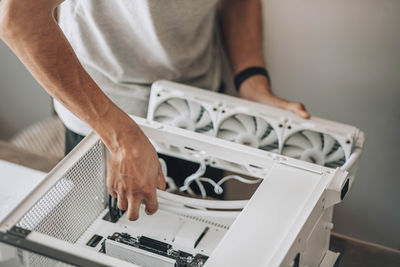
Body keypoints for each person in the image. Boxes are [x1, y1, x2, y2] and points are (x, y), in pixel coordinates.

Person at [0, 0, 309, 221]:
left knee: (202, 235)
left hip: (199, 109)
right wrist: (120, 136)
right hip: (105, 115)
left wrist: (250, 79)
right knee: (104, 239)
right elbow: (18, 20)